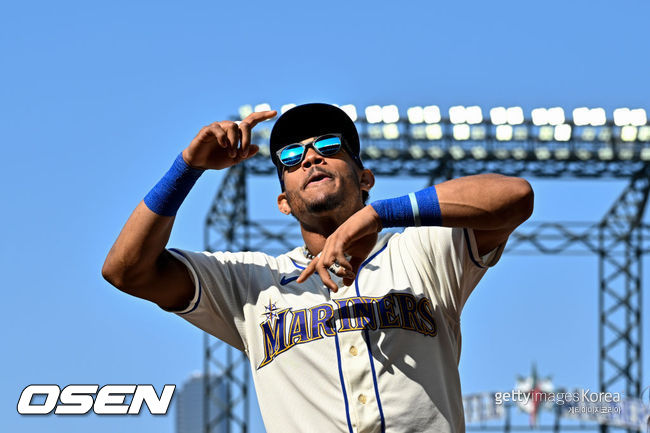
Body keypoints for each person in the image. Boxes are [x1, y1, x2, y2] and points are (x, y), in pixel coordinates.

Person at [102, 103, 534, 433]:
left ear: (365, 178)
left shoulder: (421, 251)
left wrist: (381, 214)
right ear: (283, 203)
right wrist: (187, 169)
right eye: (290, 157)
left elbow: (515, 196)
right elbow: (126, 270)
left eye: (328, 147)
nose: (310, 158)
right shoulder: (252, 283)